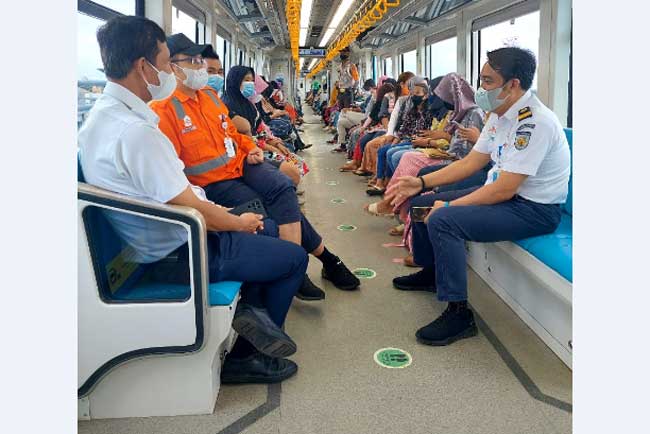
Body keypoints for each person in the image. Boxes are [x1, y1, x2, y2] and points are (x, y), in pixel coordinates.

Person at [79, 16, 309, 384]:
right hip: (178, 251)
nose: (172, 71)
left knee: (266, 228)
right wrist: (236, 221)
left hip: (164, 236)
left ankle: (250, 315)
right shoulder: (137, 132)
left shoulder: (102, 119)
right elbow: (189, 207)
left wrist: (236, 219)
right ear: (144, 67)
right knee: (293, 258)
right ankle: (248, 357)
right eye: (168, 62)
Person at [149, 34, 360, 302]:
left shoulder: (211, 98)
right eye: (193, 61)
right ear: (172, 66)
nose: (200, 67)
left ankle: (298, 267)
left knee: (283, 187)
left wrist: (251, 148)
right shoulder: (164, 111)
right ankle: (318, 262)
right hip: (212, 183)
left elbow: (232, 135)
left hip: (241, 164)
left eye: (201, 61)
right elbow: (172, 172)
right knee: (269, 212)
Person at [390, 47, 570, 347]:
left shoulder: (534, 122)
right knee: (422, 204)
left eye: (488, 82)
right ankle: (431, 271)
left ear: (512, 84)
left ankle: (459, 313)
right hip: (505, 197)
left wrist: (448, 205)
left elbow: (504, 189)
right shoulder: (500, 116)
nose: (481, 89)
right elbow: (471, 163)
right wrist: (420, 183)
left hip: (534, 209)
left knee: (444, 219)